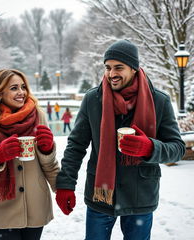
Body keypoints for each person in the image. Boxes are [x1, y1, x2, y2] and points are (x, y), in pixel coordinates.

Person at [55, 40, 185, 240]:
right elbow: (76, 145)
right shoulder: (93, 100)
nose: (111, 74)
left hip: (140, 196)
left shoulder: (159, 100)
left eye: (118, 67)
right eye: (107, 68)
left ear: (134, 68)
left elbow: (177, 148)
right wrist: (65, 184)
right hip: (101, 196)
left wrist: (150, 147)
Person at [0, 69, 60, 240]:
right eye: (14, 88)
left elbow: (48, 164)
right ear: (0, 92)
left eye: (23, 87)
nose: (21, 92)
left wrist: (47, 151)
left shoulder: (38, 115)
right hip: (1, 208)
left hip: (36, 205)